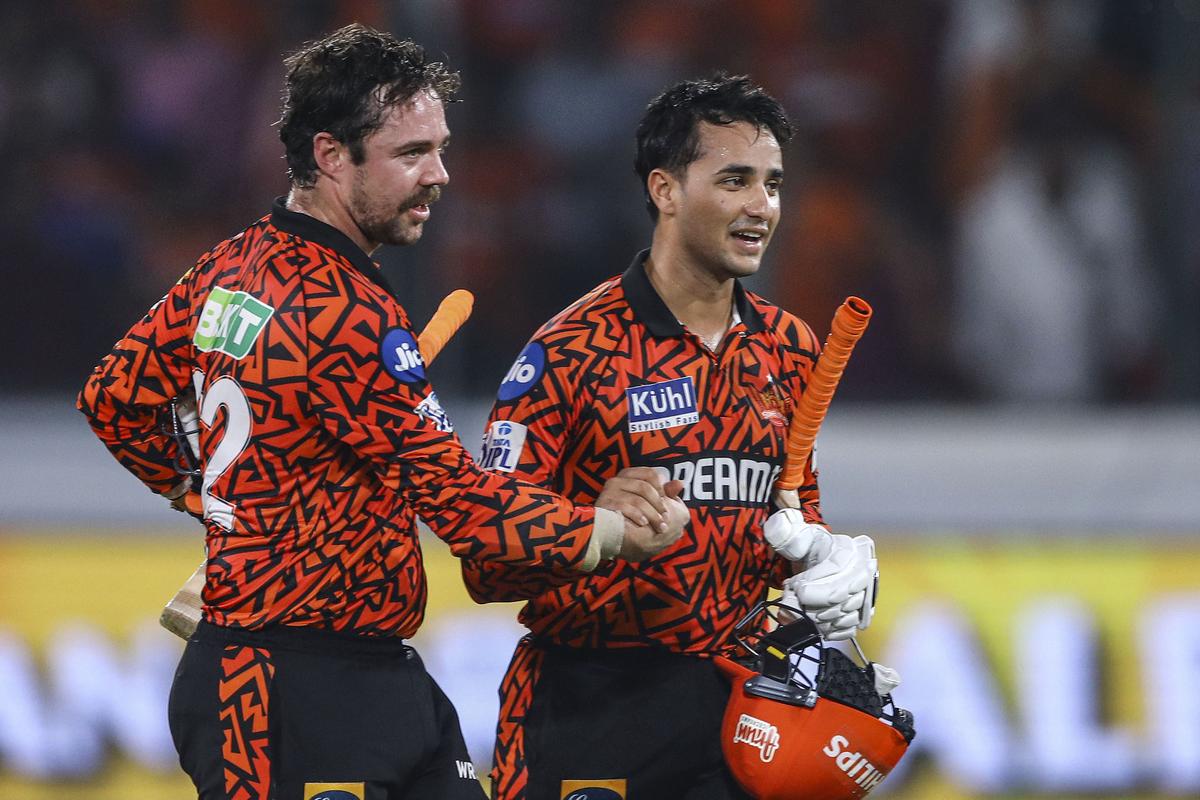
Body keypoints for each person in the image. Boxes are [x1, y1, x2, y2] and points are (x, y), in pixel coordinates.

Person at [77, 24, 686, 800]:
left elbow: (115, 402)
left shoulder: (228, 266)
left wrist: (222, 507)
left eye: (440, 147)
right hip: (287, 689)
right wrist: (611, 532)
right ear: (331, 155)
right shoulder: (345, 312)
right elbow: (466, 508)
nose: (440, 175)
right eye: (411, 155)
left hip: (366, 673)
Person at [463, 74, 877, 800]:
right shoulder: (569, 349)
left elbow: (792, 515)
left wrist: (835, 564)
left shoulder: (791, 347)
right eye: (735, 180)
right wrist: (591, 523)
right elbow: (485, 561)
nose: (762, 207)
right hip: (591, 707)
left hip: (745, 714)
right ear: (665, 190)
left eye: (773, 184)